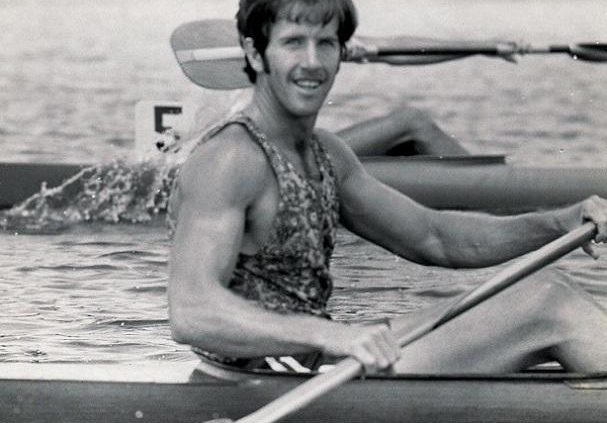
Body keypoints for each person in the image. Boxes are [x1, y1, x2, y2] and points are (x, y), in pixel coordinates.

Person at [167, 0, 607, 375]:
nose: (312, 62)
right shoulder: (231, 158)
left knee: (555, 287)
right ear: (255, 53)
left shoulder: (328, 154)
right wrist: (329, 334)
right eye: (293, 43)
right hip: (273, 375)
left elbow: (436, 237)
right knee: (551, 305)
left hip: (318, 358)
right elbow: (192, 311)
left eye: (325, 44)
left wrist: (557, 223)